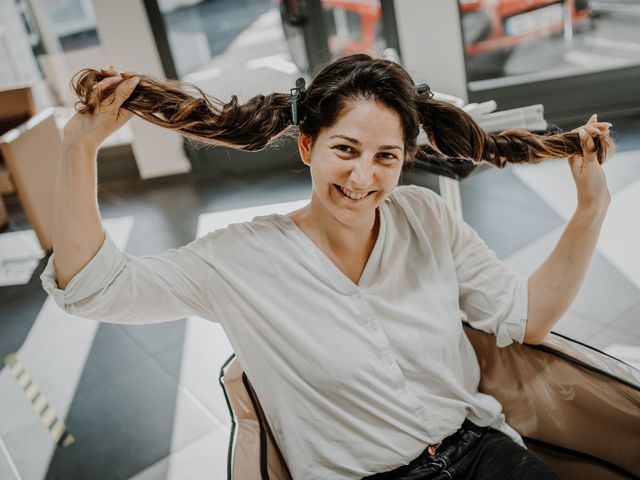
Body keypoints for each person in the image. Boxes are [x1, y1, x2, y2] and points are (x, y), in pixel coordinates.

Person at [41, 54, 614, 479]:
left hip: (482, 453)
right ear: (307, 146)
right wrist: (78, 149)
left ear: (405, 159)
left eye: (385, 157)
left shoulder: (425, 216)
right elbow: (95, 289)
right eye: (345, 150)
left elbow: (526, 317)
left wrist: (592, 208)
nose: (363, 178)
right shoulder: (240, 259)